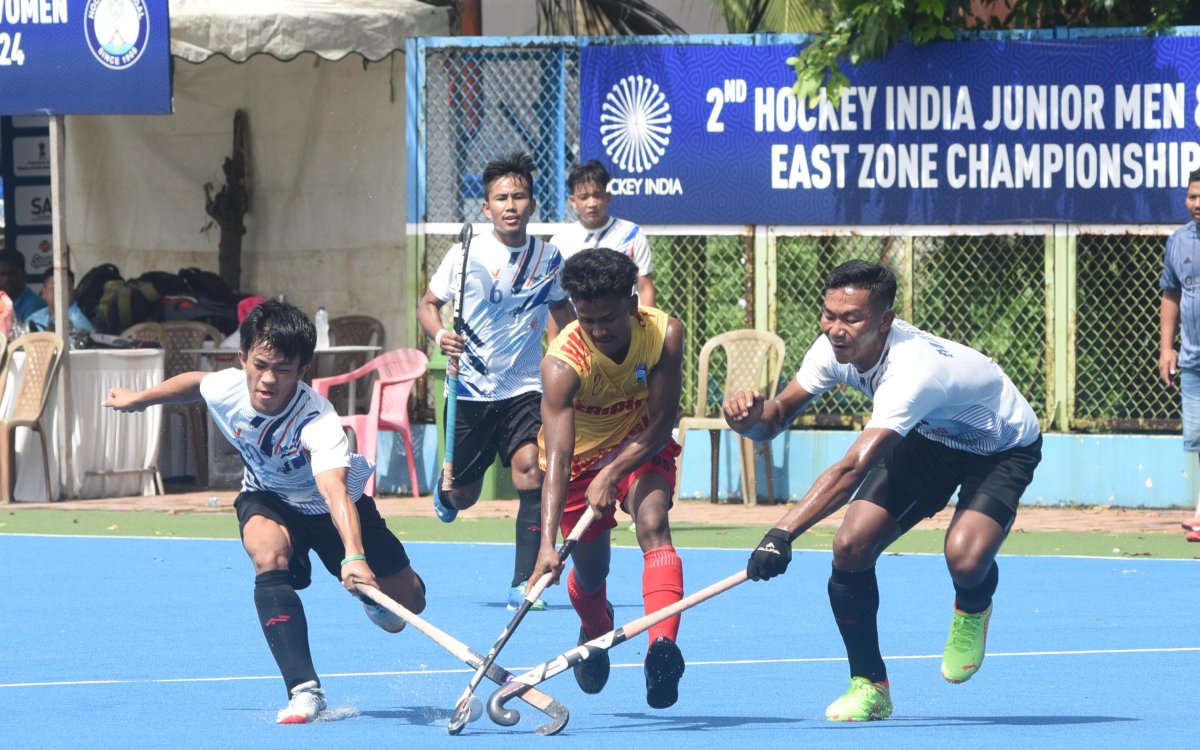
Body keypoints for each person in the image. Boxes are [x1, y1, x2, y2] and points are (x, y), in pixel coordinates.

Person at [723, 260, 1042, 722]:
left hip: (1000, 447)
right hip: (930, 438)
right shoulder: (830, 349)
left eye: (851, 318)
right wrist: (747, 421)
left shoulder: (912, 372)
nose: (836, 329)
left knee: (966, 558)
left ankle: (973, 604)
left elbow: (854, 467)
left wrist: (782, 532)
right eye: (829, 314)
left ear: (884, 321)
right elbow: (774, 420)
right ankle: (869, 685)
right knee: (850, 546)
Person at [103, 299, 426, 724]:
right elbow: (196, 382)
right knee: (265, 553)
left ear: (302, 371)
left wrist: (355, 556)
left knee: (411, 602)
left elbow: (334, 494)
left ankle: (375, 601)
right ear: (243, 359)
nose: (269, 380)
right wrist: (141, 399)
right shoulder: (229, 387)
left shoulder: (319, 421)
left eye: (284, 370)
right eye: (260, 364)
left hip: (332, 508)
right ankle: (304, 690)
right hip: (268, 497)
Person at [416, 151, 574, 611]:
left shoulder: (550, 258)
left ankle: (523, 584)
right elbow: (428, 305)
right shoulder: (465, 255)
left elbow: (562, 315)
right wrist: (441, 334)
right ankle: (447, 491)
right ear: (485, 208)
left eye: (519, 195)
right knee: (462, 496)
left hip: (525, 386)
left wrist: (572, 359)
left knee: (531, 471)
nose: (511, 204)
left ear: (532, 203)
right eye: (501, 197)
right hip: (471, 391)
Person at [532, 248, 688, 709]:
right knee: (591, 569)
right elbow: (557, 460)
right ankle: (597, 630)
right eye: (587, 318)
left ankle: (662, 651)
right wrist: (545, 546)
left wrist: (616, 470)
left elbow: (662, 422)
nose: (599, 330)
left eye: (609, 318)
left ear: (633, 302)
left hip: (640, 443)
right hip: (578, 465)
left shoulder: (663, 333)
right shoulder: (562, 365)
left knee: (654, 521)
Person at [550, 160, 656, 306]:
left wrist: (648, 327)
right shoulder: (560, 241)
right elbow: (556, 302)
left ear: (608, 196)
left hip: (624, 323)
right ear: (573, 201)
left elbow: (644, 287)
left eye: (597, 195)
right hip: (578, 324)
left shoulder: (631, 233)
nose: (592, 203)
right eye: (584, 197)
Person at [1159, 168, 1200, 541]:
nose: (1196, 204)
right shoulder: (1179, 242)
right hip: (1193, 360)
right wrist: (1166, 348)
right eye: (1192, 196)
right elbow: (1171, 294)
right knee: (1199, 437)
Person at [26, 268, 95, 336]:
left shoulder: (80, 325)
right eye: (53, 288)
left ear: (73, 293)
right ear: (44, 293)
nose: (59, 292)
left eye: (64, 288)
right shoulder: (34, 319)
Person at [0, 249, 49, 322]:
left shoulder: (34, 305)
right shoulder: (3, 301)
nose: (7, 279)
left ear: (23, 274)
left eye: (12, 273)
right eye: (2, 274)